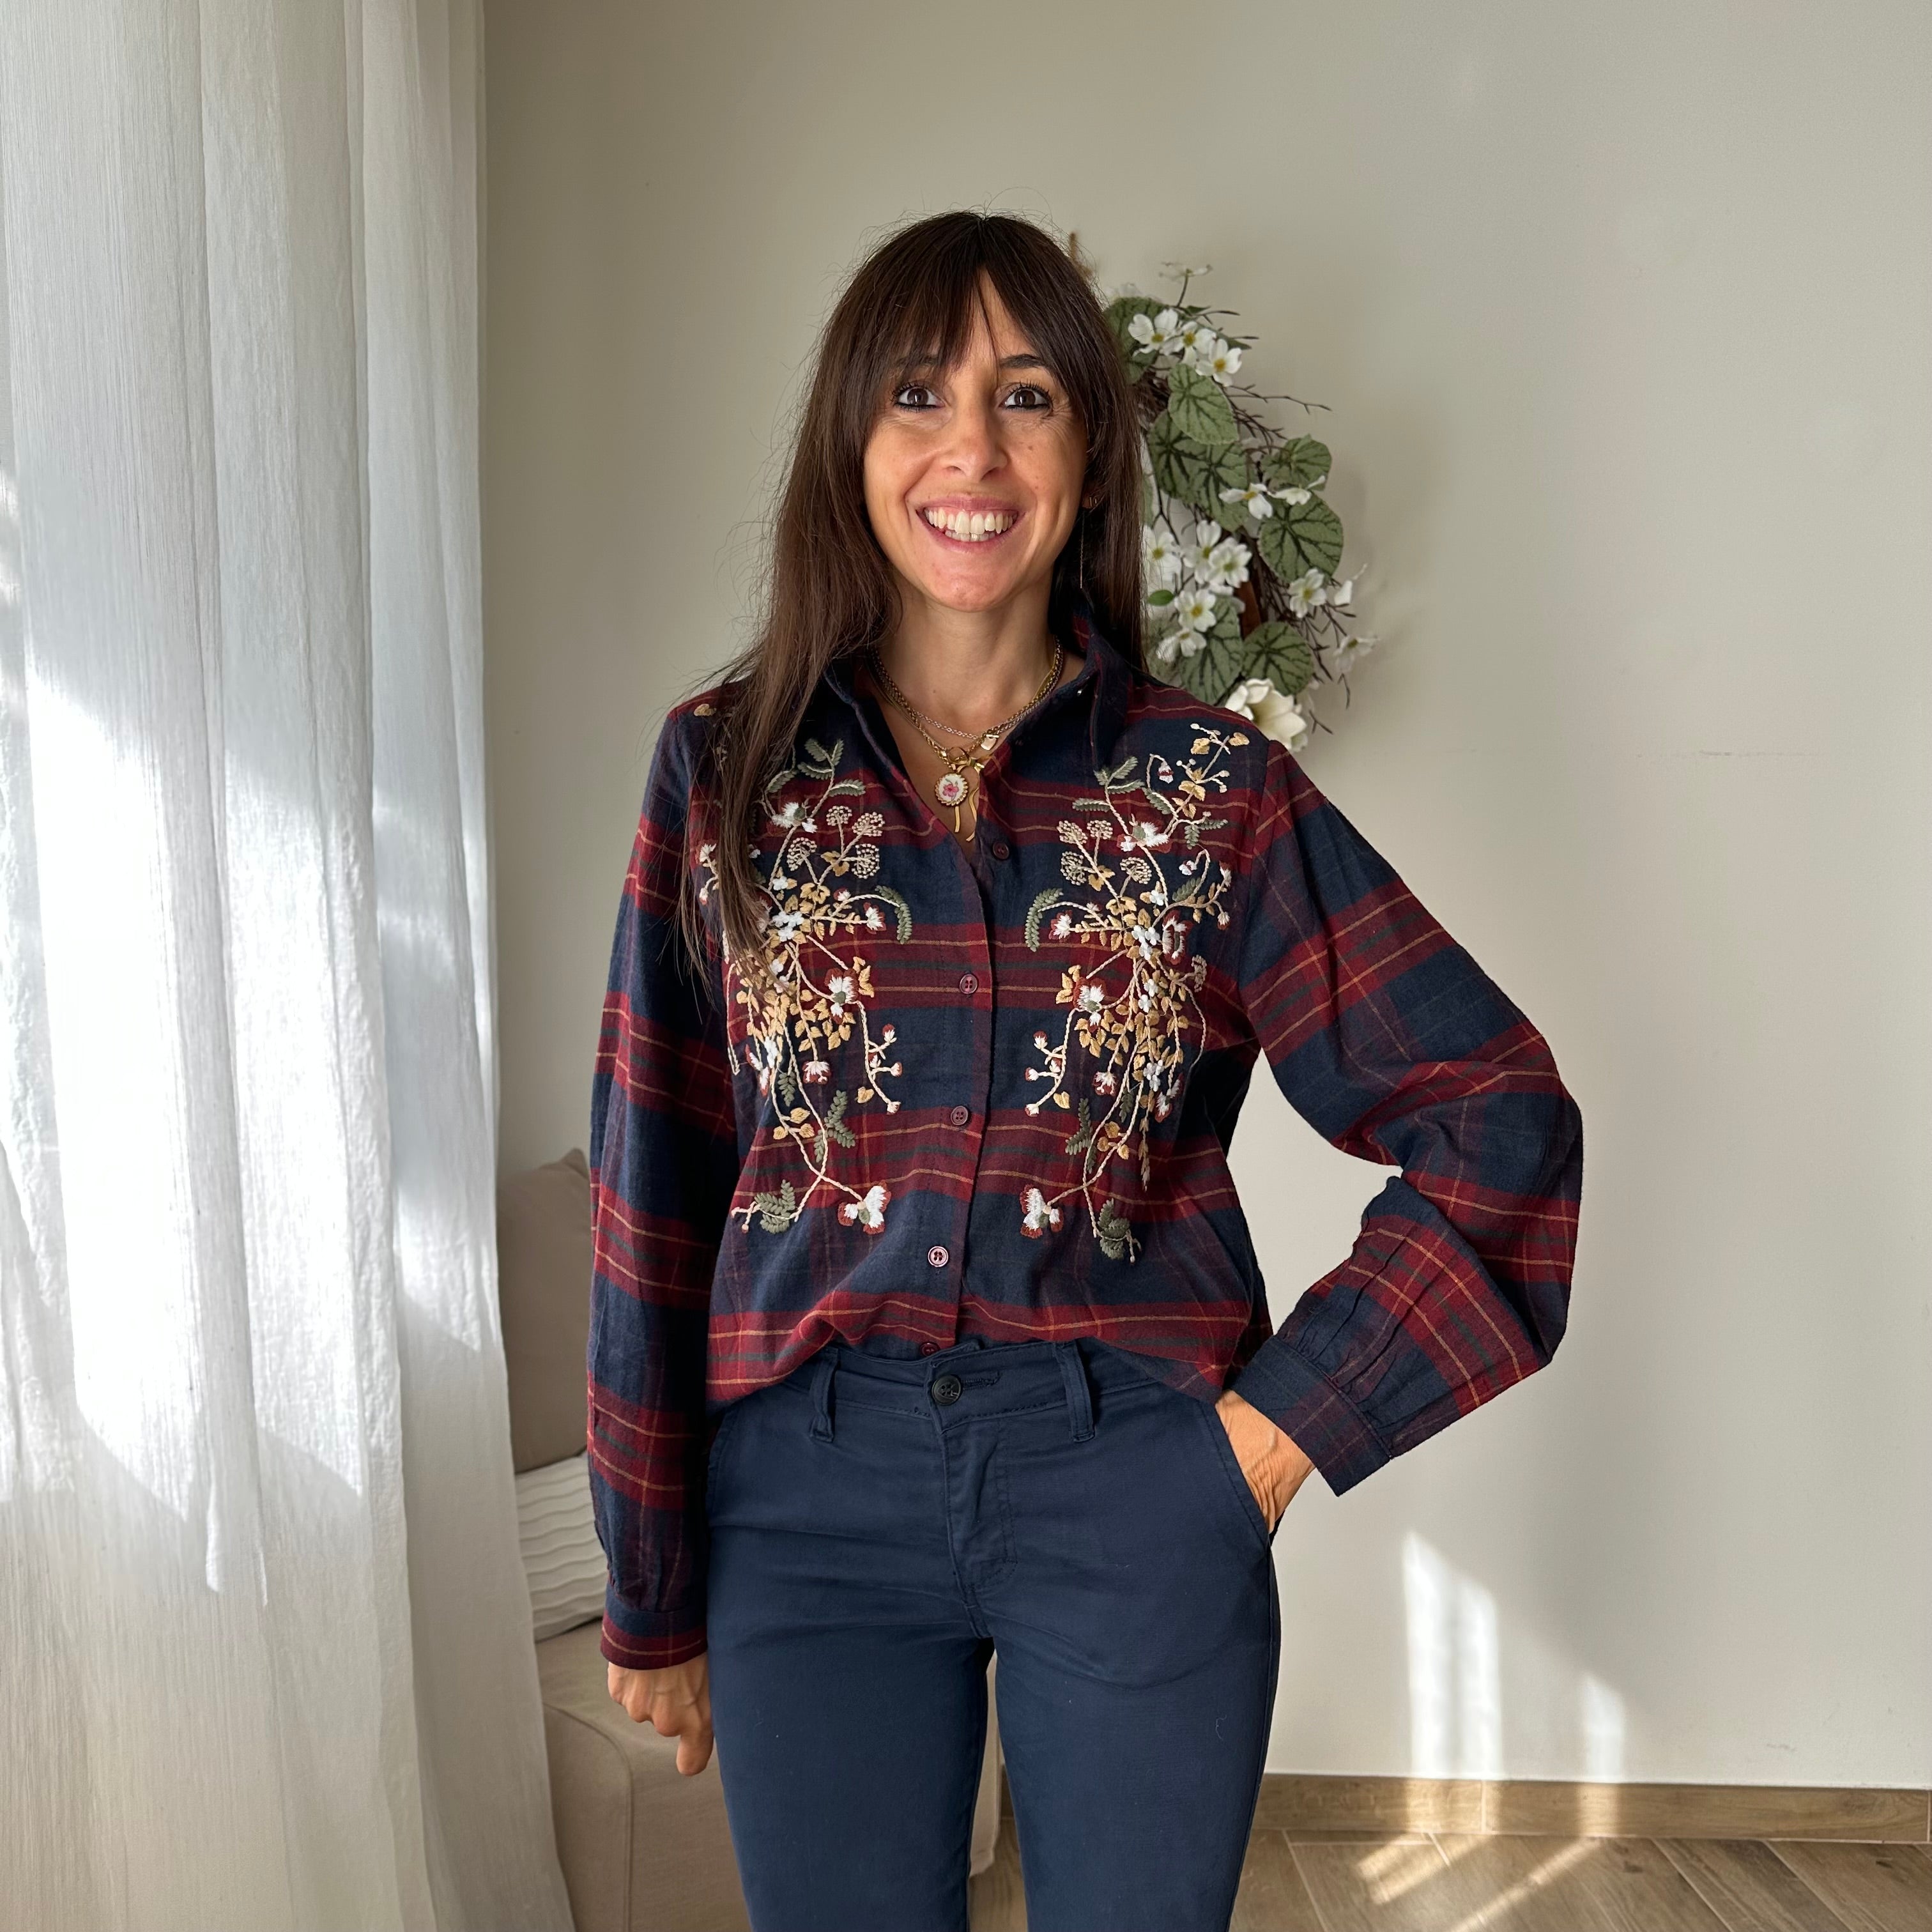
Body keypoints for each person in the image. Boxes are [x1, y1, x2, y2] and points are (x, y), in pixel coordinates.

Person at [585, 210, 1584, 1932]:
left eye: (1027, 396)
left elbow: (1499, 1117)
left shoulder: (1213, 792)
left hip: (1135, 1489)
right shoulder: (724, 769)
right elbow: (649, 1186)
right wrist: (652, 1579)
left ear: (1092, 452)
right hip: (806, 1505)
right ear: (849, 444)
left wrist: (1270, 1442)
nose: (970, 449)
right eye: (917, 393)